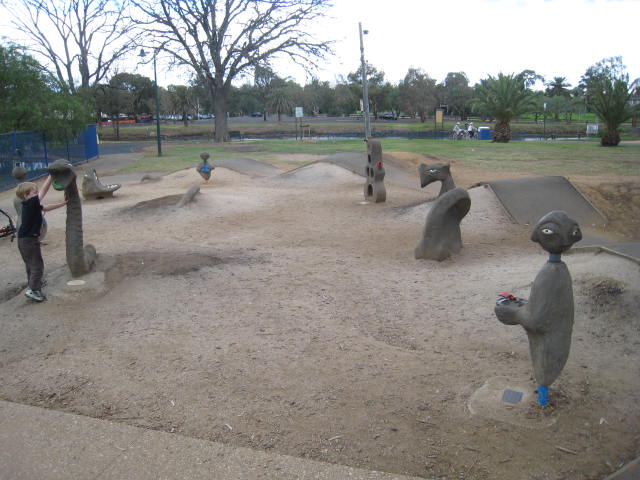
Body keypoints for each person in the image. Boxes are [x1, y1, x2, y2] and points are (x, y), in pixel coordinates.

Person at [16, 176, 66, 302]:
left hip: (23, 240)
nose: (37, 194)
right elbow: (44, 190)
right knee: (37, 266)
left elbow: (46, 208)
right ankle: (33, 290)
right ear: (26, 195)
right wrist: (51, 175)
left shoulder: (30, 205)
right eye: (35, 192)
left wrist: (63, 203)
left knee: (30, 265)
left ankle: (35, 283)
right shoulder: (31, 202)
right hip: (29, 240)